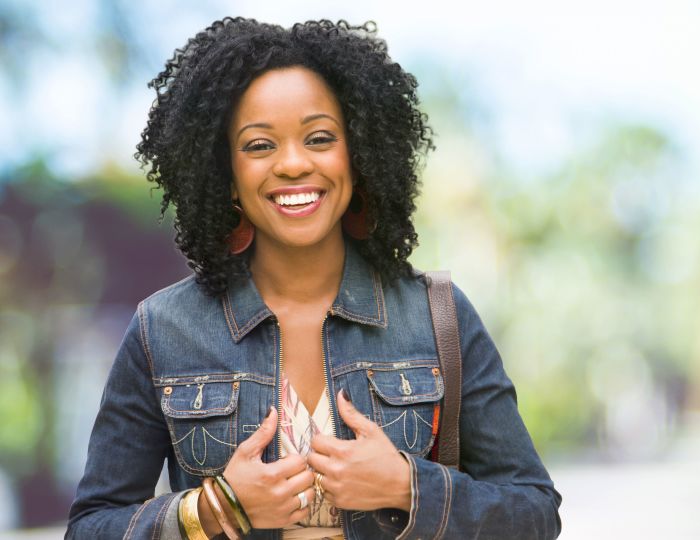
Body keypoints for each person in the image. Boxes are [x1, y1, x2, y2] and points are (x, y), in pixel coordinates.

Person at [65, 16, 561, 540]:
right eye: (260, 146)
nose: (294, 164)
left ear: (359, 154)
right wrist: (213, 511)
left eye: (319, 138)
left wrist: (408, 487)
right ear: (226, 176)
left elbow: (534, 512)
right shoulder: (162, 330)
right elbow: (91, 527)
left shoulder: (437, 316)